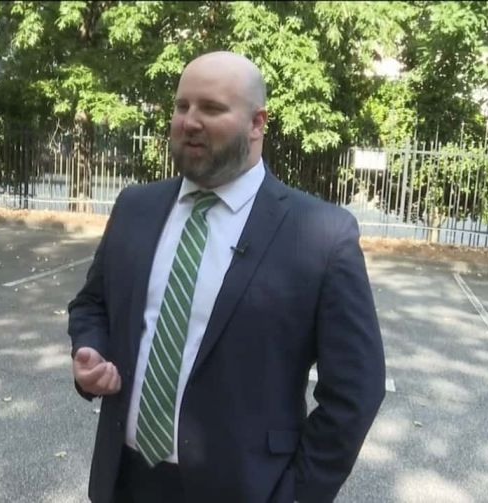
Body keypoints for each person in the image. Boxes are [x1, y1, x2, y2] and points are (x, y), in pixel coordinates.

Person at [67, 52, 386, 503]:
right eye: (182, 107)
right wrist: (89, 350)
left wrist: (296, 494)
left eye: (212, 109)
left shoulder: (319, 234)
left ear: (257, 123)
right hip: (124, 480)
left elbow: (357, 389)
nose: (189, 122)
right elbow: (92, 304)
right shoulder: (136, 207)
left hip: (245, 488)